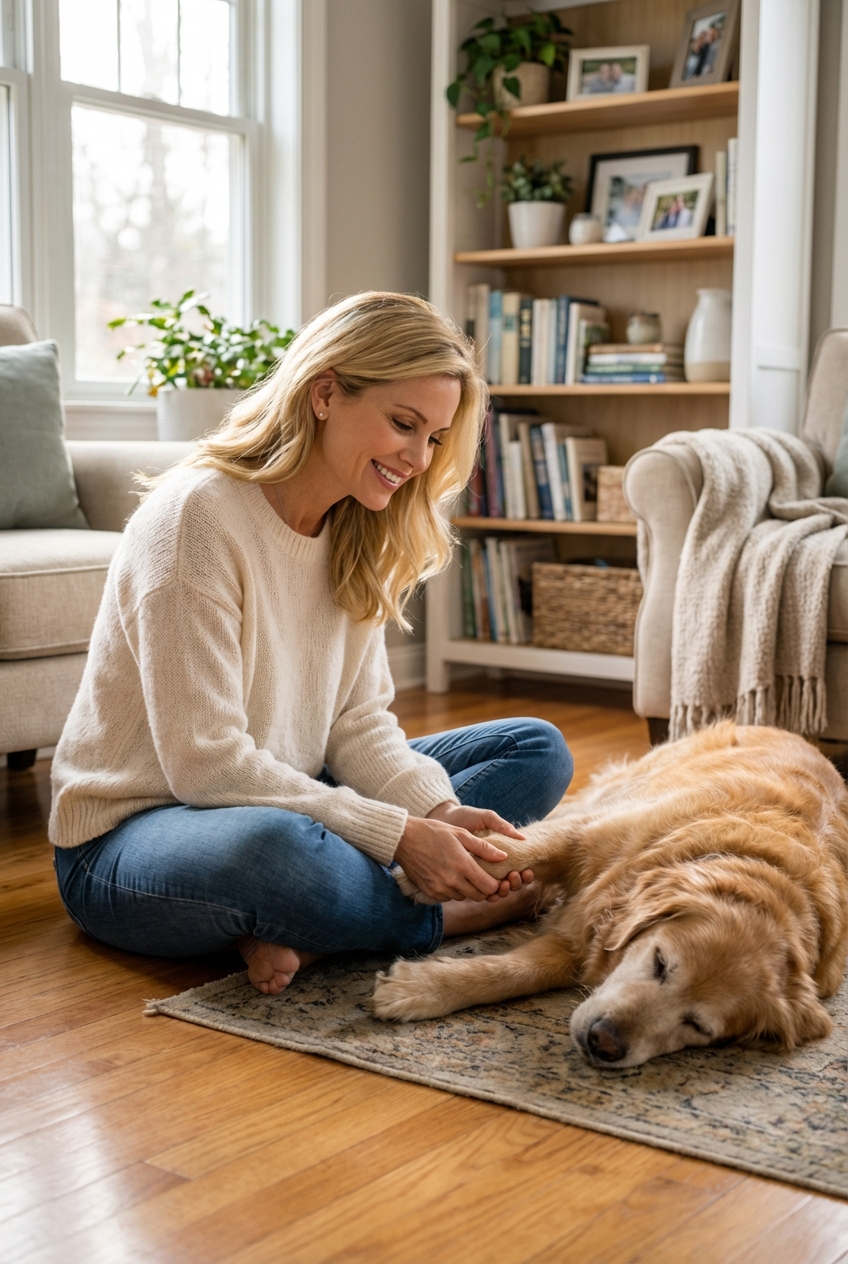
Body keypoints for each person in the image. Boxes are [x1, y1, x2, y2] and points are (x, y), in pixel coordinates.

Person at [50, 292, 573, 996]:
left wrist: (438, 813)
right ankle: (447, 917)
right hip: (137, 835)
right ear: (325, 392)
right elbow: (204, 766)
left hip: (287, 787)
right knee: (278, 851)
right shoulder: (195, 520)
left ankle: (313, 926)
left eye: (436, 438)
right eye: (403, 424)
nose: (418, 459)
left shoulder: (358, 526)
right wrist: (399, 838)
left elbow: (356, 724)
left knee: (536, 748)